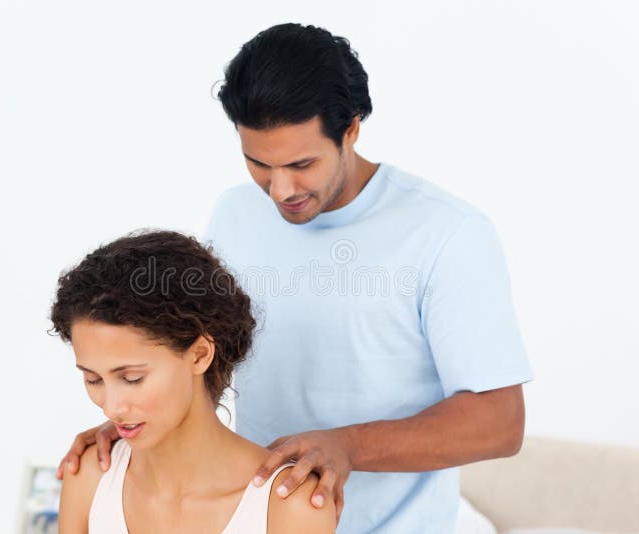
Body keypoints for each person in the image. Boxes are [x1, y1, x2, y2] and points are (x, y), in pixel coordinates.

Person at [59, 23, 533, 533]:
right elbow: (198, 356)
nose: (281, 189)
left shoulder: (446, 232)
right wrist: (134, 413)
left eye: (302, 163)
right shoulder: (236, 214)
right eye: (258, 163)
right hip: (263, 516)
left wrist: (347, 445)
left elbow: (500, 422)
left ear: (351, 129)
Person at [50, 230, 335, 533]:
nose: (111, 408)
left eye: (132, 378)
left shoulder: (289, 504)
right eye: (93, 379)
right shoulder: (90, 477)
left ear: (199, 355)